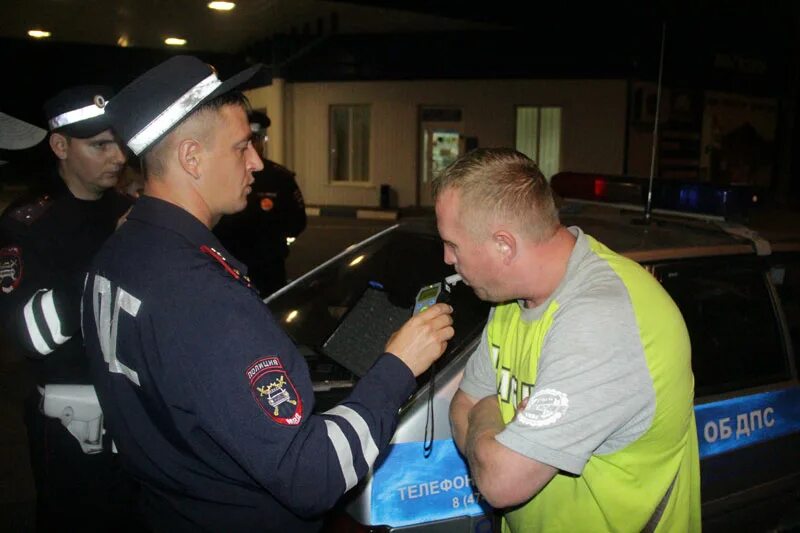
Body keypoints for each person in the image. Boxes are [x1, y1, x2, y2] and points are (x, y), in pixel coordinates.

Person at [80, 55, 454, 532]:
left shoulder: (116, 255)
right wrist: (398, 367)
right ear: (191, 157)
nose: (257, 161)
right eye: (242, 148)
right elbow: (312, 476)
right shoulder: (205, 296)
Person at [438, 148, 701, 532]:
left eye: (453, 244)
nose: (447, 258)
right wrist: (497, 426)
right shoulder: (512, 300)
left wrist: (489, 415)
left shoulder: (599, 319)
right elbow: (464, 402)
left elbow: (500, 482)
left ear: (504, 245)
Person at [0, 87, 137, 531]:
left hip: (135, 414)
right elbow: (32, 338)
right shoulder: (29, 225)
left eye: (119, 142)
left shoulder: (128, 210)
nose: (118, 156)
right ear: (61, 146)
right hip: (72, 425)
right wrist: (111, 256)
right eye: (100, 145)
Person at [214, 110, 306, 297]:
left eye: (257, 139)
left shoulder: (279, 177)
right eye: (247, 141)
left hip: (268, 269)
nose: (254, 146)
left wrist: (277, 242)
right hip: (229, 269)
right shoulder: (221, 176)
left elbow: (297, 222)